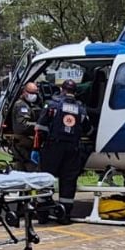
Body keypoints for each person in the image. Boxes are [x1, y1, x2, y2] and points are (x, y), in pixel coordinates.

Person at [33, 78, 91, 224]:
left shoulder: (52, 105)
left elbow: (40, 128)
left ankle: (43, 214)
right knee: (68, 181)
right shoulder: (81, 108)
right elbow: (88, 130)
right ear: (74, 92)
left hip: (53, 148)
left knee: (46, 178)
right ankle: (64, 215)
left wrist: (36, 148)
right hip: (73, 149)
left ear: (62, 90)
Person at [9, 82, 41, 172]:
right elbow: (22, 125)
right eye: (31, 93)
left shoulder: (29, 105)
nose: (33, 96)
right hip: (22, 143)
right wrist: (38, 126)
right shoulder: (21, 105)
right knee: (32, 167)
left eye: (35, 93)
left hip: (25, 143)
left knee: (23, 167)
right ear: (24, 92)